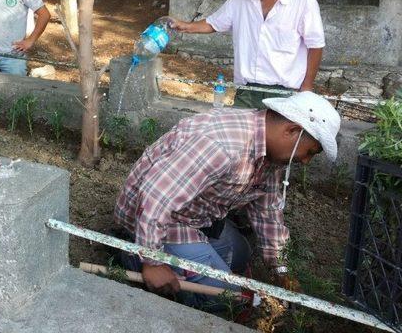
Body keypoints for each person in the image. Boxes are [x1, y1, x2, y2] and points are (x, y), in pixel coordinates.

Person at [113, 91, 341, 304]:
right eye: (310, 152)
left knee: (241, 255)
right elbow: (157, 197)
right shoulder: (222, 144)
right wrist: (152, 262)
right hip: (157, 218)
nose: (305, 161)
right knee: (225, 297)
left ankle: (175, 258)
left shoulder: (270, 156)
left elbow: (268, 212)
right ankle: (134, 252)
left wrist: (280, 269)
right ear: (291, 130)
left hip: (194, 217)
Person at [171, 0, 325, 109]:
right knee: (241, 135)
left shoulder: (302, 0)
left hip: (285, 94)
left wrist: (307, 87)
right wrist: (185, 26)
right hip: (247, 92)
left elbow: (315, 45)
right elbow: (212, 23)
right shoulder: (238, 0)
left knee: (277, 135)